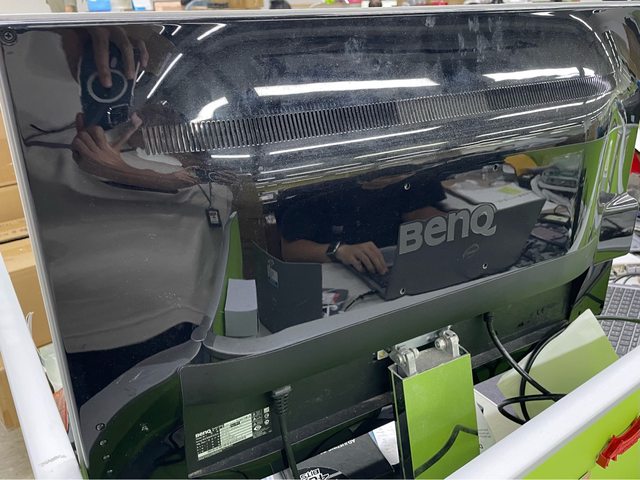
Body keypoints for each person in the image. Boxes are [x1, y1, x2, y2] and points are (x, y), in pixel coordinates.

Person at [279, 172, 445, 275]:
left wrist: (451, 225)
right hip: (338, 274)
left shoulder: (402, 154)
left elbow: (415, 211)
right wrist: (339, 251)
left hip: (400, 265)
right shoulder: (315, 178)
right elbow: (291, 250)